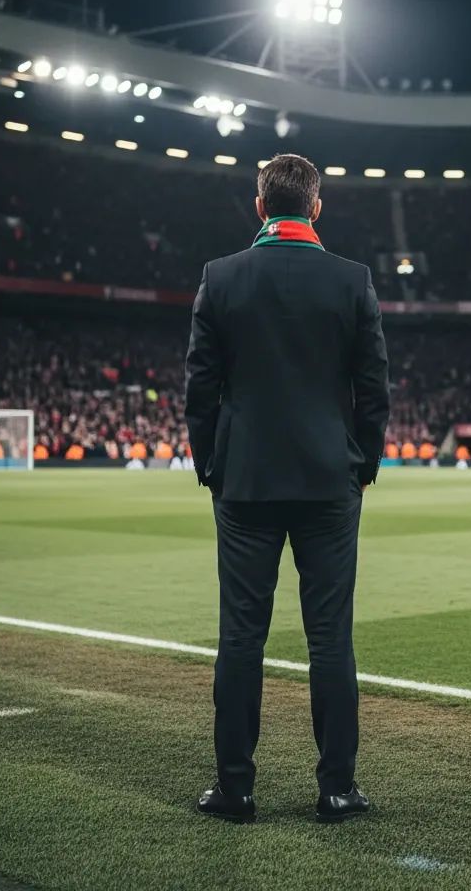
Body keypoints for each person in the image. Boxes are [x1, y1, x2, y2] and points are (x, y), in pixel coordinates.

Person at [185, 154, 390, 824]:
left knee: (241, 637)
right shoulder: (352, 280)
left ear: (259, 206)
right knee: (331, 638)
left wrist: (211, 465)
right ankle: (337, 788)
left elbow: (200, 389)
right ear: (317, 206)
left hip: (245, 483)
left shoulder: (221, 278)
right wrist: (363, 466)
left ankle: (235, 789)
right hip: (330, 481)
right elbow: (375, 390)